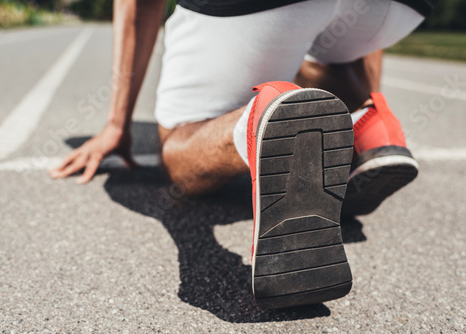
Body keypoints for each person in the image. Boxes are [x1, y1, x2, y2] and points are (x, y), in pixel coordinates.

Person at [50, 0, 436, 309]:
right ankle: (370, 126)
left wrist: (118, 125)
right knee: (326, 36)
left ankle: (255, 122)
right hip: (396, 10)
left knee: (177, 145)